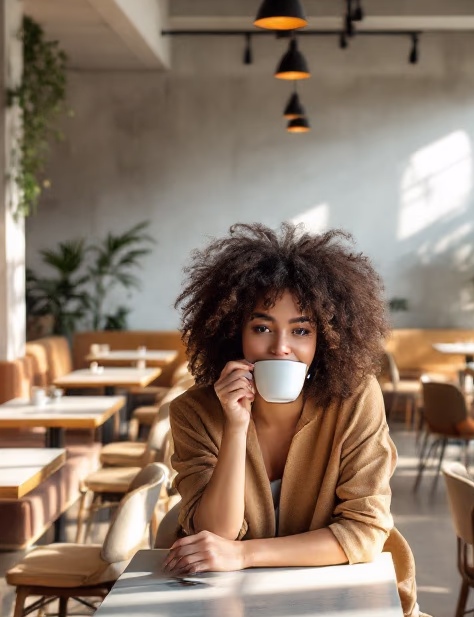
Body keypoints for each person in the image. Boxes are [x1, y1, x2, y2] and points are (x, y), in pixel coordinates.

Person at [162, 222, 400, 580]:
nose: (280, 347)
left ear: (326, 339)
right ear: (233, 331)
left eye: (301, 330)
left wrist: (244, 555)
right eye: (262, 328)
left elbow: (364, 532)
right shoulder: (193, 412)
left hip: (335, 591)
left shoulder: (355, 400)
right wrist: (236, 425)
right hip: (222, 603)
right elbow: (214, 535)